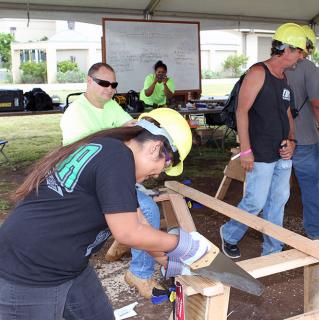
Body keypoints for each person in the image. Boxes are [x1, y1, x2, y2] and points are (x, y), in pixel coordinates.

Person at [0, 111, 209, 319]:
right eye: (162, 168)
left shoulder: (110, 151)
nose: (156, 175)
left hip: (68, 265)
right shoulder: (118, 158)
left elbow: (139, 223)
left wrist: (170, 261)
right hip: (29, 270)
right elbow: (128, 233)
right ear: (156, 148)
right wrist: (184, 244)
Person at [60, 62, 163, 299]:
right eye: (103, 83)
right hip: (84, 181)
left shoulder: (110, 107)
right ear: (89, 81)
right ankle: (139, 271)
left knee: (143, 207)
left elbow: (131, 128)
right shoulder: (75, 113)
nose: (109, 89)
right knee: (147, 211)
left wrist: (147, 126)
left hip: (108, 176)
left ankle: (125, 241)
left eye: (113, 85)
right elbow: (85, 153)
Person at [220, 23, 305, 258]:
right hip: (260, 151)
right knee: (255, 201)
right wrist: (246, 151)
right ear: (287, 49)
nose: (301, 56)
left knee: (278, 202)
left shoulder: (284, 78)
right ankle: (229, 234)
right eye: (300, 51)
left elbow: (288, 113)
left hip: (282, 151)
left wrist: (292, 140)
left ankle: (272, 249)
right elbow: (241, 111)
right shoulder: (259, 72)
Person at [285, 25, 319, 240]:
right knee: (311, 189)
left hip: (278, 140)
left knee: (274, 191)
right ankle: (314, 233)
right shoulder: (308, 68)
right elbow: (318, 105)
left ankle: (272, 234)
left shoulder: (270, 67)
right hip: (305, 139)